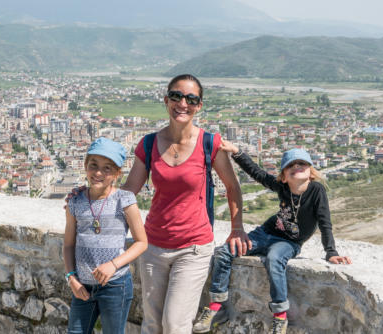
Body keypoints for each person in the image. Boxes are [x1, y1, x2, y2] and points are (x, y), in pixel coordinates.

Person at [122, 74, 251, 334]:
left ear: (199, 105)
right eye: (176, 96)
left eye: (191, 99)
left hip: (193, 248)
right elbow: (128, 193)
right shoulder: (148, 144)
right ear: (166, 100)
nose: (183, 103)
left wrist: (237, 228)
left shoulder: (209, 144)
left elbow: (232, 186)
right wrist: (90, 200)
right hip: (153, 245)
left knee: (175, 324)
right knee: (152, 324)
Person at [193, 141, 352, 334]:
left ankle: (279, 317)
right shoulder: (282, 188)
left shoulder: (316, 191)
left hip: (289, 242)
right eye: (290, 166)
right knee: (224, 252)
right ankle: (216, 308)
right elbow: (258, 173)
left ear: (311, 172)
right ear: (284, 177)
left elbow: (324, 222)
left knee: (274, 259)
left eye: (301, 164)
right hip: (265, 233)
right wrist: (237, 153)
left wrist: (331, 252)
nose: (296, 167)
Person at [64, 137, 148, 334]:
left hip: (115, 285)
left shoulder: (124, 200)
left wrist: (113, 264)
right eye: (93, 165)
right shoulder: (75, 202)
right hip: (82, 285)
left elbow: (142, 242)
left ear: (117, 173)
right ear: (85, 166)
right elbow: (68, 244)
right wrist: (71, 278)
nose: (98, 173)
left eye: (107, 168)